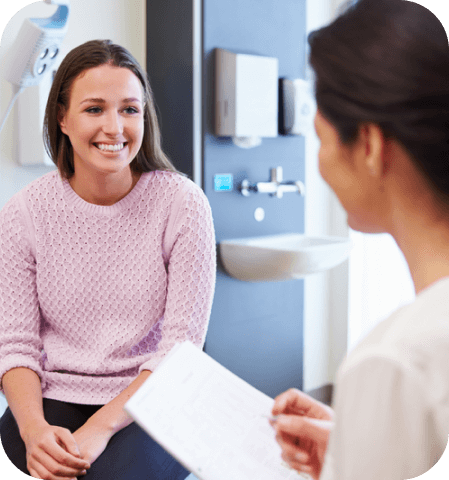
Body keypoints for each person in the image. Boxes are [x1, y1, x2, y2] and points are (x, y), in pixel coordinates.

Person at [0, 39, 216, 480]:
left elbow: (179, 351)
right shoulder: (24, 213)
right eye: (94, 109)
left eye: (129, 109)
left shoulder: (183, 204)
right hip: (54, 395)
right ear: (62, 118)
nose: (114, 127)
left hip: (154, 397)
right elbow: (15, 344)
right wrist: (33, 429)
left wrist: (98, 429)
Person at [270, 1, 449, 479]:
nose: (321, 163)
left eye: (322, 140)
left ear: (368, 146)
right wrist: (360, 444)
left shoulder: (395, 362)